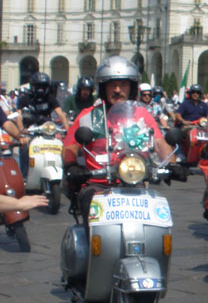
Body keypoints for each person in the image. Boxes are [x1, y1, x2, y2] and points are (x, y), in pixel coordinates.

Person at [61, 56, 185, 231]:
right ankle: (92, 253)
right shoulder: (91, 116)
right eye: (112, 84)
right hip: (99, 182)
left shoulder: (142, 115)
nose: (118, 90)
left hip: (135, 180)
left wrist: (173, 164)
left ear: (132, 87)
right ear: (103, 88)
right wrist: (72, 165)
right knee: (91, 207)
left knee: (157, 219)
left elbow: (159, 143)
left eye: (123, 84)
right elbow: (69, 147)